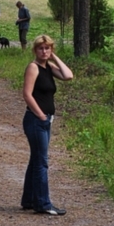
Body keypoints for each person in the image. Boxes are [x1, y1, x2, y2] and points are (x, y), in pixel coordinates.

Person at [21, 33, 73, 215]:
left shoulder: (49, 68)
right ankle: (43, 204)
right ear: (35, 50)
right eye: (41, 48)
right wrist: (41, 115)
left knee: (36, 159)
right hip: (36, 121)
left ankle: (28, 200)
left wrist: (55, 58)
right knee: (42, 162)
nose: (44, 51)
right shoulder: (33, 68)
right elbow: (27, 94)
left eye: (47, 48)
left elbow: (68, 76)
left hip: (45, 121)